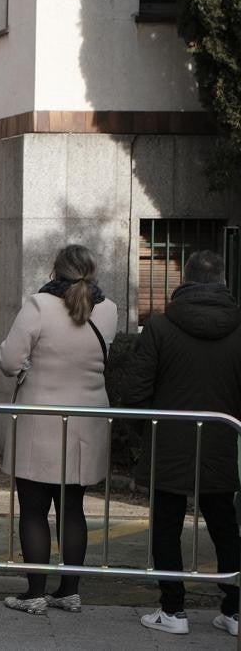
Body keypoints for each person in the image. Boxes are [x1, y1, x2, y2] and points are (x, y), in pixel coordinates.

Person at [121, 250, 241, 638]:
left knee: (166, 525)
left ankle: (173, 609)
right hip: (224, 440)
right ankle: (235, 609)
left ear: (183, 280)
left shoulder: (160, 327)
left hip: (170, 439)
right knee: (225, 525)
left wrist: (149, 431)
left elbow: (136, 388)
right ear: (223, 280)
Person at [0, 245, 117, 615]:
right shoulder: (108, 309)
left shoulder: (39, 305)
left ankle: (34, 593)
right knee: (72, 508)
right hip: (87, 419)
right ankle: (69, 590)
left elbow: (8, 360)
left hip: (39, 417)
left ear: (55, 270)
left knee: (33, 509)